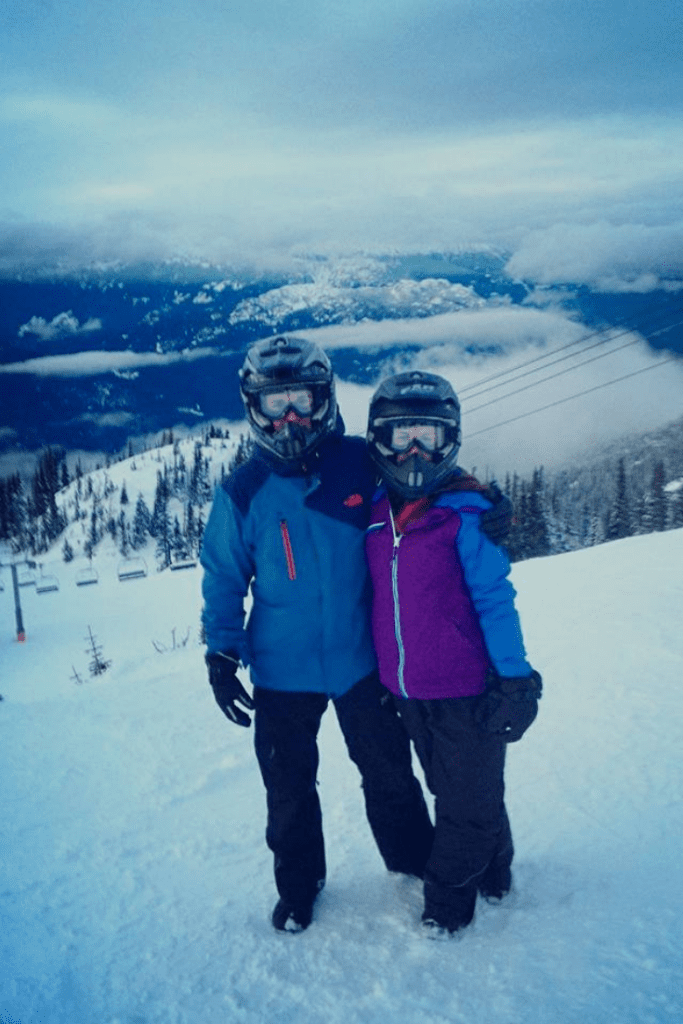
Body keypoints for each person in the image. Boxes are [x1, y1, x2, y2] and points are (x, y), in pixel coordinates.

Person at [200, 336, 512, 934]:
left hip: (360, 661)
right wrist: (220, 651)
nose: (291, 418)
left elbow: (424, 474)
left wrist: (483, 498)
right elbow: (223, 575)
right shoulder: (243, 491)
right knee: (288, 787)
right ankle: (298, 886)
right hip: (280, 668)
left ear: (327, 400)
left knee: (389, 774)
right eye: (276, 404)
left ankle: (414, 865)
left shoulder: (358, 461)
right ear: (252, 407)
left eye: (303, 401)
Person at [365, 369, 542, 939]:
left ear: (451, 440)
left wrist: (516, 679)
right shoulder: (371, 514)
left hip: (469, 688)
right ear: (378, 440)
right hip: (408, 691)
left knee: (467, 805)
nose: (414, 451)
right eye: (401, 436)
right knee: (457, 788)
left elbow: (495, 599)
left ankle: (448, 906)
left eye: (429, 437)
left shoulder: (466, 514)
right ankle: (496, 869)